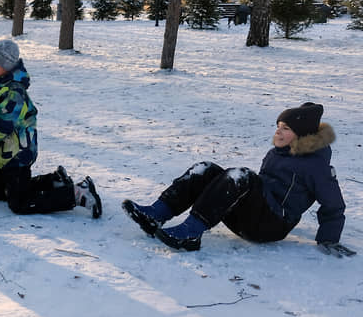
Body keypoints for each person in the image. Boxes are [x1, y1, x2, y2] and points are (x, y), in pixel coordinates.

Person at [122, 102, 353, 256]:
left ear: (302, 134)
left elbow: (333, 203)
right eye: (278, 127)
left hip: (271, 226)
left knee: (240, 176)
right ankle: (157, 214)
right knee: (207, 169)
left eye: (286, 128)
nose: (278, 132)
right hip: (254, 216)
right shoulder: (277, 153)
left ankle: (190, 233)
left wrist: (329, 238)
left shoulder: (316, 165)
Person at [0, 39, 102, 218]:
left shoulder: (14, 94)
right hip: (2, 155)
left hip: (17, 154)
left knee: (19, 203)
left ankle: (77, 193)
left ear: (8, 64)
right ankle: (54, 180)